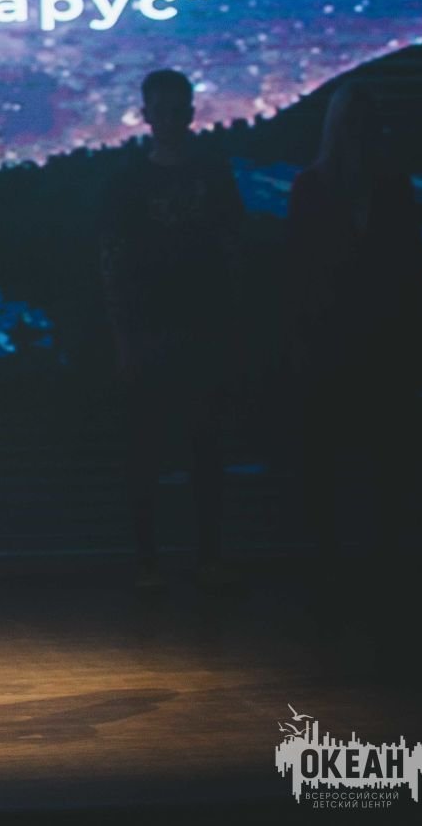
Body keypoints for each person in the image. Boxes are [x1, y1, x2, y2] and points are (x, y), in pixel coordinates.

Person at [97, 69, 244, 589]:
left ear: (188, 114)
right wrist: (125, 338)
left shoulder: (211, 175)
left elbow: (233, 249)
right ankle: (152, 561)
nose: (169, 119)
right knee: (149, 452)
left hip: (202, 328)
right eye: (161, 110)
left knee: (203, 448)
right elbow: (113, 262)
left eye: (175, 110)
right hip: (152, 331)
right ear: (148, 115)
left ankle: (203, 557)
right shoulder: (128, 183)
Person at [285, 82, 422, 572]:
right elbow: (298, 269)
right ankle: (332, 556)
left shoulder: (393, 187)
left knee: (385, 454)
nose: (360, 132)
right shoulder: (313, 188)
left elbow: (409, 265)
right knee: (330, 454)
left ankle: (380, 554)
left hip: (383, 337)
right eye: (353, 123)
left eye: (367, 123)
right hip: (330, 337)